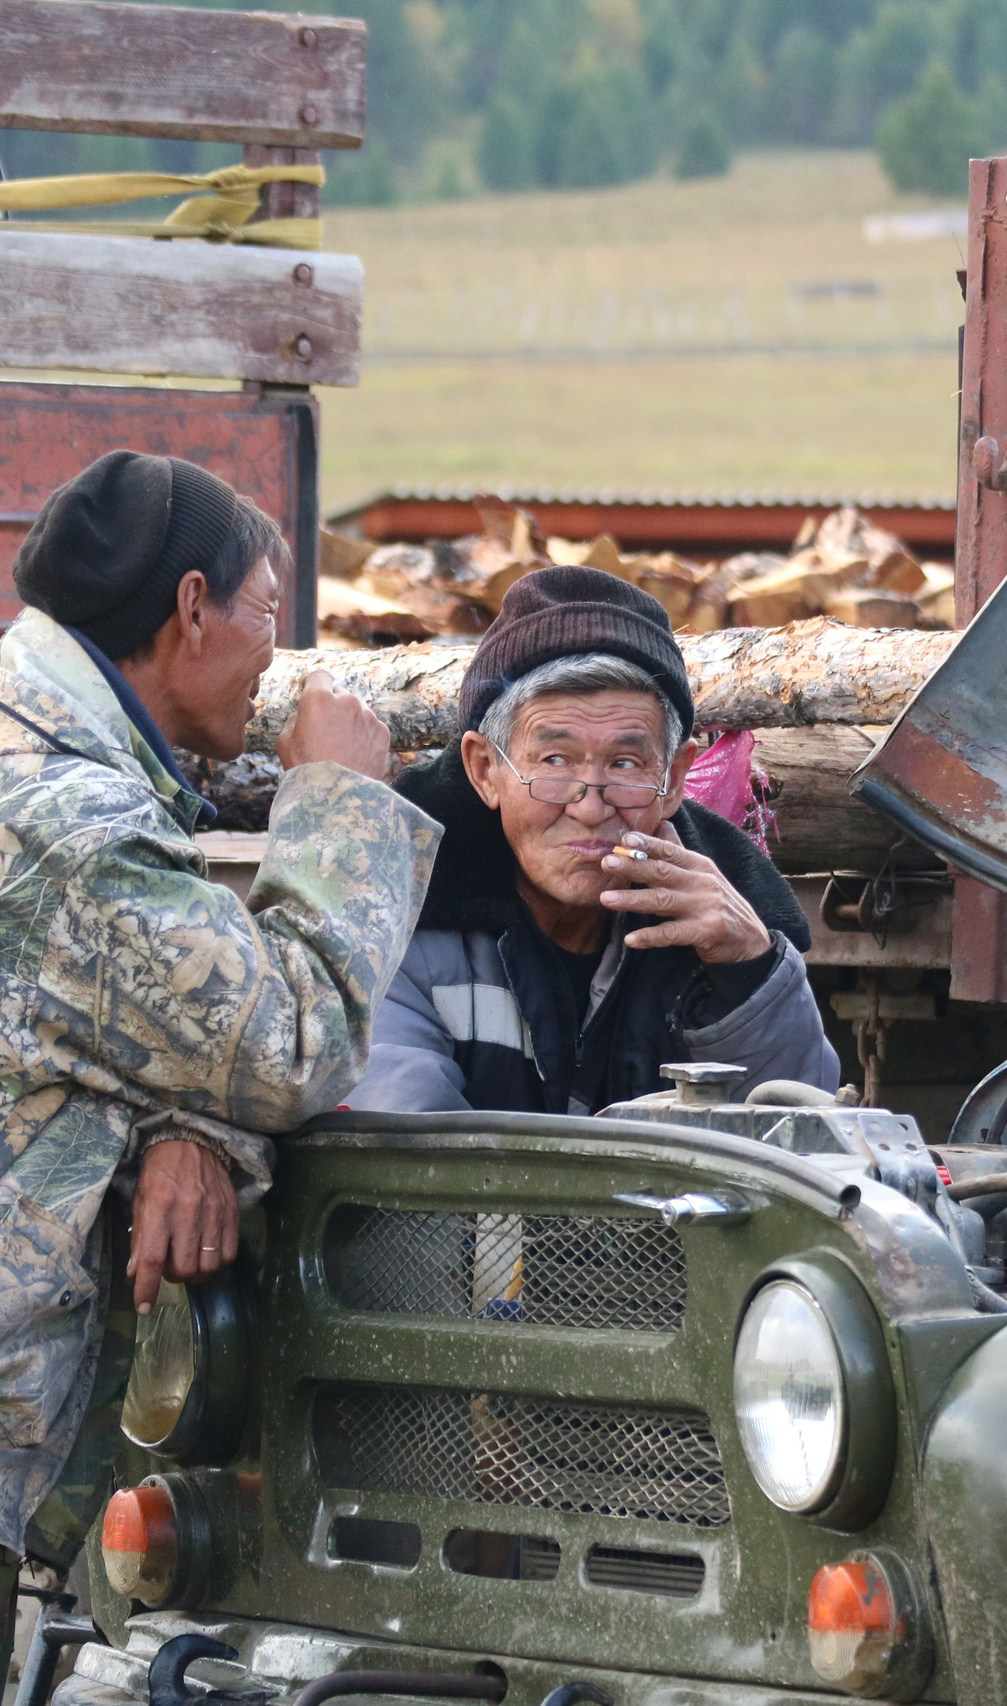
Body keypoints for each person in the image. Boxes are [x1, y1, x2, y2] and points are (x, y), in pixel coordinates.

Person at [0, 453, 439, 1609]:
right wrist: (340, 798)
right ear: (190, 606)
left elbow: (73, 1026)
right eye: (263, 615)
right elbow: (291, 1040)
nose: (276, 659)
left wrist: (188, 1121)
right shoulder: (70, 824)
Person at [347, 566, 839, 1115]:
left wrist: (748, 966)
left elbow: (799, 1130)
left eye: (625, 763)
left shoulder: (724, 933)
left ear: (673, 780)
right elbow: (401, 1144)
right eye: (554, 760)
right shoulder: (395, 916)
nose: (589, 805)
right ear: (485, 770)